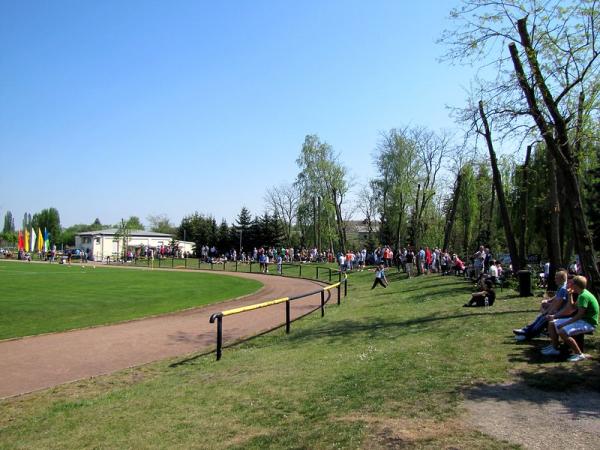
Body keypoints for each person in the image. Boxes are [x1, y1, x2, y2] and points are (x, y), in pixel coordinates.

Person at [541, 275, 598, 361]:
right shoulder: (581, 293)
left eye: (571, 283)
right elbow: (572, 308)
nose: (570, 285)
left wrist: (564, 324)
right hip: (582, 320)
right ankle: (554, 348)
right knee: (552, 323)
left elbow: (579, 315)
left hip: (588, 323)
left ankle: (579, 354)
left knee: (563, 331)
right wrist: (570, 295)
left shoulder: (583, 296)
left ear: (576, 285)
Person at [513, 271, 572, 341]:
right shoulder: (561, 287)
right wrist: (548, 302)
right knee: (540, 317)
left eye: (556, 278)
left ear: (562, 279)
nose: (555, 280)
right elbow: (556, 298)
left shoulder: (563, 289)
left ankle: (527, 335)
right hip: (558, 311)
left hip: (560, 313)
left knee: (544, 318)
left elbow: (557, 304)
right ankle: (526, 331)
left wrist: (548, 312)